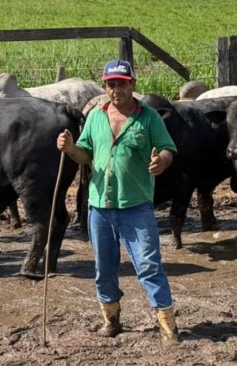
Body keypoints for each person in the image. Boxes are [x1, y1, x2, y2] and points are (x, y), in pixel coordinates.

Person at [56, 59, 180, 346]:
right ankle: (111, 320)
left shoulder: (149, 118)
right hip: (99, 206)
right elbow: (86, 154)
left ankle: (167, 326)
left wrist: (161, 161)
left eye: (121, 84)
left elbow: (167, 148)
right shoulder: (97, 117)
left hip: (136, 205)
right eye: (111, 85)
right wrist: (71, 148)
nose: (116, 90)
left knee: (149, 265)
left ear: (132, 85)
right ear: (105, 86)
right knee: (104, 267)